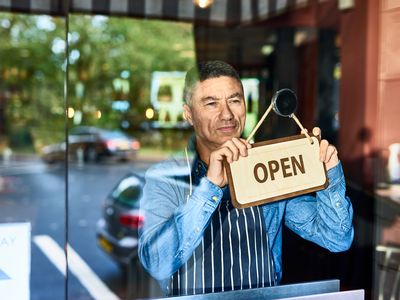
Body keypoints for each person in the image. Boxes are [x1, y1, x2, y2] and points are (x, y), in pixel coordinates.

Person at [138, 60, 354, 296]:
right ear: (189, 114)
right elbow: (157, 263)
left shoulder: (266, 166)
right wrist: (210, 187)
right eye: (211, 103)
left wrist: (330, 175)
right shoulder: (167, 177)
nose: (227, 114)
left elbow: (336, 238)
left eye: (235, 100)